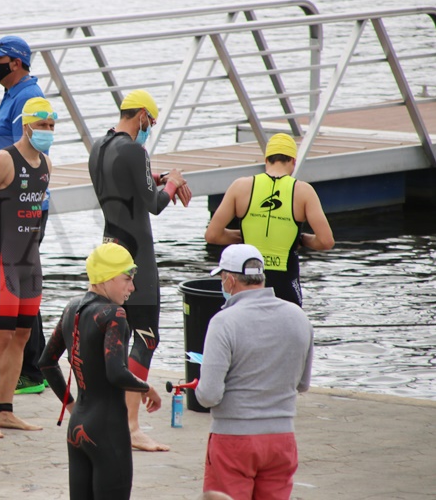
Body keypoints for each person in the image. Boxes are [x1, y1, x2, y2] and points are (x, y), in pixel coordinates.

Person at [87, 89, 191, 451]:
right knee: (146, 337)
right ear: (142, 115)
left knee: (113, 334)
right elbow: (154, 204)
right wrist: (173, 181)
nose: (151, 128)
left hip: (108, 249)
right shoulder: (134, 150)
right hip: (136, 256)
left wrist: (157, 175)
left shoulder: (99, 146)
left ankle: (109, 417)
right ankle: (131, 428)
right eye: (152, 121)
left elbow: (125, 187)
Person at [39, 243, 162, 500]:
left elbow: (47, 363)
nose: (132, 288)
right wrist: (147, 388)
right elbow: (116, 373)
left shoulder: (72, 307)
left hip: (78, 426)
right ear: (105, 278)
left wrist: (72, 405)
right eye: (127, 279)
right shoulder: (113, 314)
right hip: (108, 429)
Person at [196, 244, 313, 500]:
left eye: (221, 279)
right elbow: (303, 384)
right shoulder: (298, 317)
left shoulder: (224, 321)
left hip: (233, 439)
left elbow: (209, 395)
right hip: (281, 438)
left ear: (229, 280)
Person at [0, 97, 54, 439]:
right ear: (27, 126)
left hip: (31, 263)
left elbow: (38, 214)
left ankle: (4, 411)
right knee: (0, 336)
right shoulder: (3, 160)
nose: (47, 132)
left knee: (22, 335)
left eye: (51, 127)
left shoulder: (46, 163)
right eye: (42, 126)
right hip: (3, 260)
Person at [0, 35, 49, 395]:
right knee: (17, 284)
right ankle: (23, 368)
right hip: (8, 199)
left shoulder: (27, 97)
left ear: (16, 63)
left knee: (20, 283)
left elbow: (32, 147)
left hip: (21, 202)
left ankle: (29, 371)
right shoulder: (13, 92)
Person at [204, 133, 335, 307]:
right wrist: (300, 238)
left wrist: (246, 236)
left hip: (249, 277)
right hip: (284, 280)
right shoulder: (303, 191)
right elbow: (326, 241)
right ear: (293, 161)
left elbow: (213, 235)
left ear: (266, 159)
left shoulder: (241, 186)